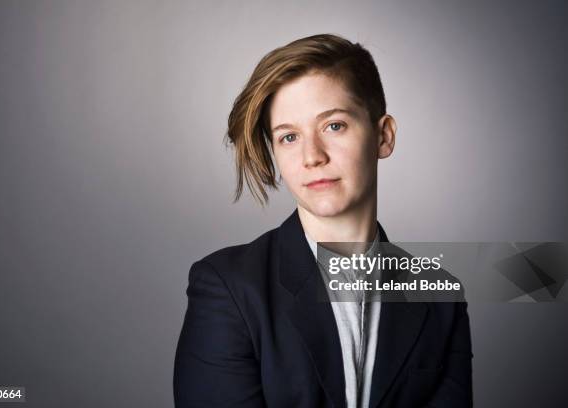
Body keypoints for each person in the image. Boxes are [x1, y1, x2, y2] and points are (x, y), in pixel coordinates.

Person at [173, 34, 473, 408]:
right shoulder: (228, 287)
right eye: (289, 137)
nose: (311, 156)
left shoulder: (440, 294)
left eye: (334, 126)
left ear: (383, 136)